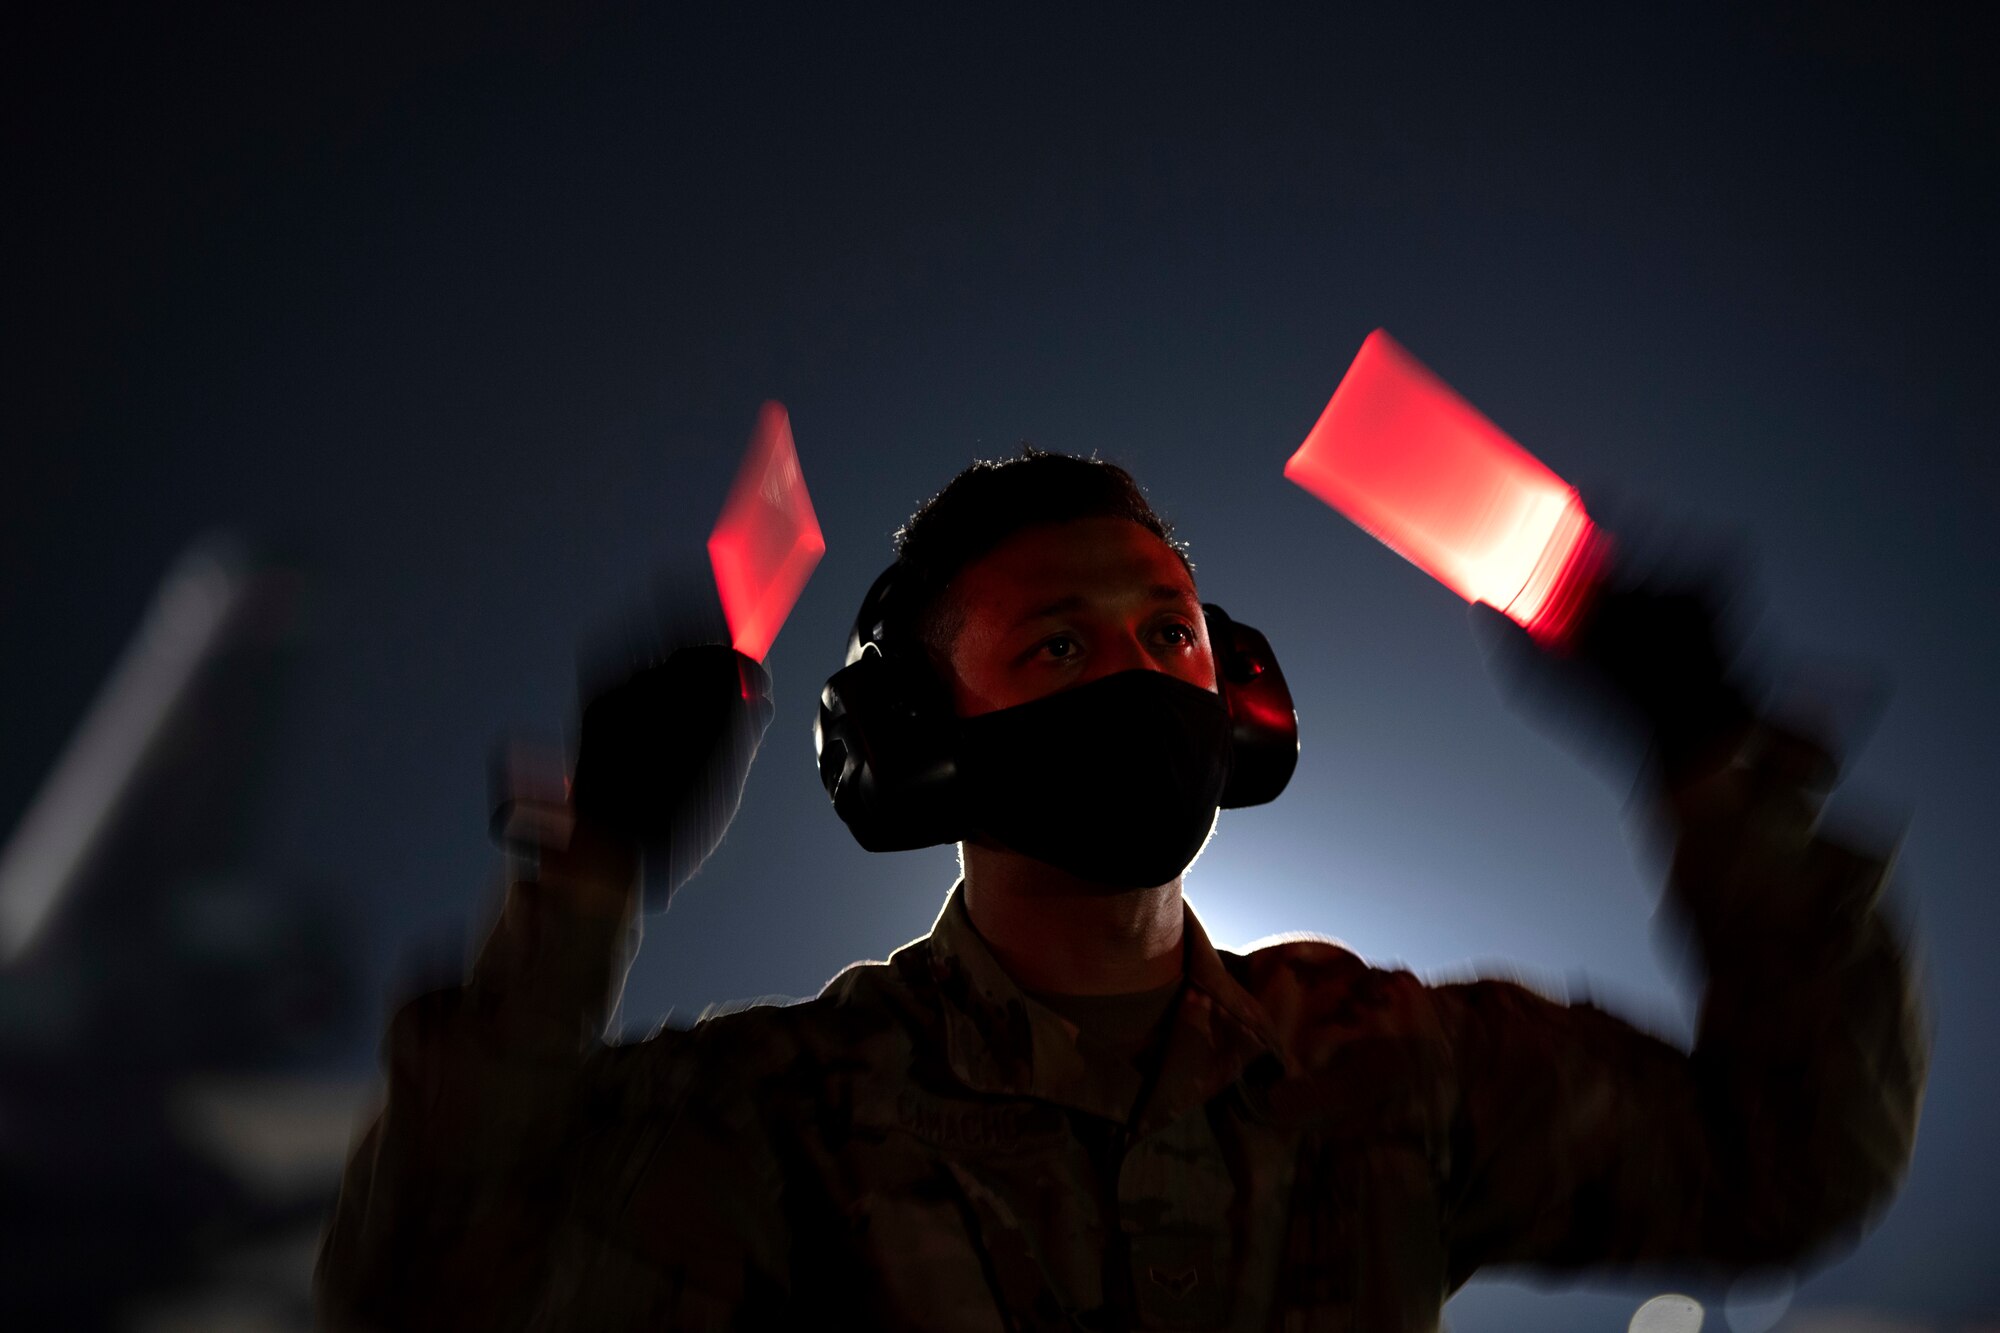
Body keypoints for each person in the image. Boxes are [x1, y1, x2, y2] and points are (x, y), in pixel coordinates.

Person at [317, 450, 1928, 1332]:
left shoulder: (1387, 1069)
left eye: (1172, 632)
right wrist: (589, 873)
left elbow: (1796, 1160)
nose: (1147, 676)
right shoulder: (784, 1118)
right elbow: (416, 1290)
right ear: (920, 745)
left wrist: (1714, 768)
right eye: (1059, 646)